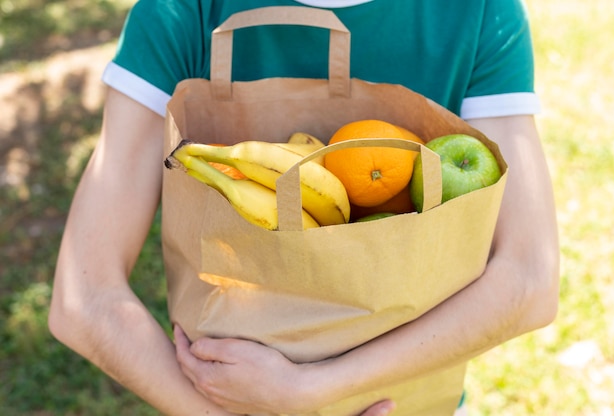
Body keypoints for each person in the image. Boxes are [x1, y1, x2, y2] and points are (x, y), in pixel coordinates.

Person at [48, 0, 560, 415]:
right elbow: (84, 298)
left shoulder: (482, 12)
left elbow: (530, 280)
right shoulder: (182, 11)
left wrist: (312, 389)